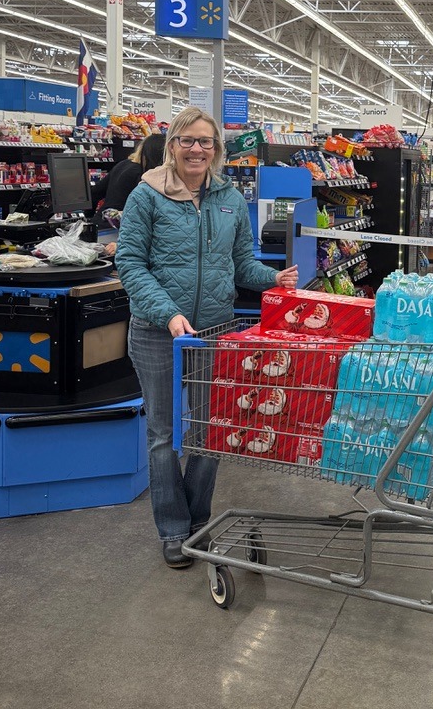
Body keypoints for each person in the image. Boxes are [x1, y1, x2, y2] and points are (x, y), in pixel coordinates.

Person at [116, 106, 298, 569]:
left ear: (216, 150)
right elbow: (131, 265)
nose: (197, 149)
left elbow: (240, 265)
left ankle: (199, 522)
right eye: (188, 140)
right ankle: (173, 529)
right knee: (162, 433)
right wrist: (169, 312)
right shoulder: (146, 196)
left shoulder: (230, 199)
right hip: (159, 333)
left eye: (206, 142)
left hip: (215, 332)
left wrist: (274, 280)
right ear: (172, 144)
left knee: (209, 430)